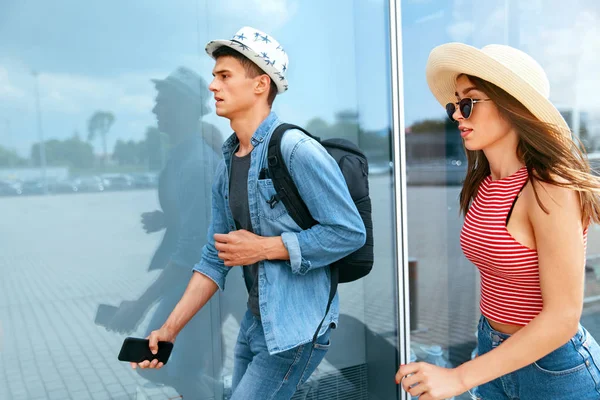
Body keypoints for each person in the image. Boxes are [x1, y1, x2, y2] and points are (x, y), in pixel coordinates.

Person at [130, 26, 366, 400]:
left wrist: (265, 248)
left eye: (224, 76)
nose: (213, 86)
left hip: (295, 333)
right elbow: (214, 257)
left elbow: (349, 232)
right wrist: (169, 328)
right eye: (214, 76)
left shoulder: (296, 149)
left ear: (260, 85)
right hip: (256, 326)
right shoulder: (228, 163)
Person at [396, 43, 600, 400]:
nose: (458, 115)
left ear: (512, 108)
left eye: (469, 102)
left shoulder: (548, 188)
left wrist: (459, 378)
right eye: (454, 105)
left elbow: (563, 317)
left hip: (553, 370)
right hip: (493, 349)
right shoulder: (485, 184)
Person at [106, 66, 223, 397]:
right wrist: (168, 218)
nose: (155, 108)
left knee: (155, 362)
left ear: (186, 107)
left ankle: (227, 392)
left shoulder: (195, 163)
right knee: (177, 366)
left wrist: (139, 305)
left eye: (164, 101)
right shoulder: (182, 155)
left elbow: (192, 250)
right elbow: (198, 217)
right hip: (194, 282)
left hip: (199, 283)